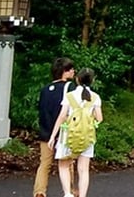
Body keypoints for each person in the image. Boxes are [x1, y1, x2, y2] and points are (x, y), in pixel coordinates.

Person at [48, 68, 102, 197]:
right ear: (92, 81)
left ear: (77, 79)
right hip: (87, 136)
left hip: (68, 135)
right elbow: (99, 118)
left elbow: (62, 116)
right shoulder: (95, 97)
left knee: (64, 165)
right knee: (83, 170)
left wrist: (53, 136)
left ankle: (68, 193)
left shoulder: (70, 96)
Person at [35, 57, 75, 197]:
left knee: (44, 164)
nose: (73, 71)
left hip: (45, 130)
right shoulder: (69, 87)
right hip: (63, 131)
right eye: (70, 69)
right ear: (64, 71)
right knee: (67, 163)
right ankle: (70, 191)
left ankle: (39, 191)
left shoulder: (45, 89)